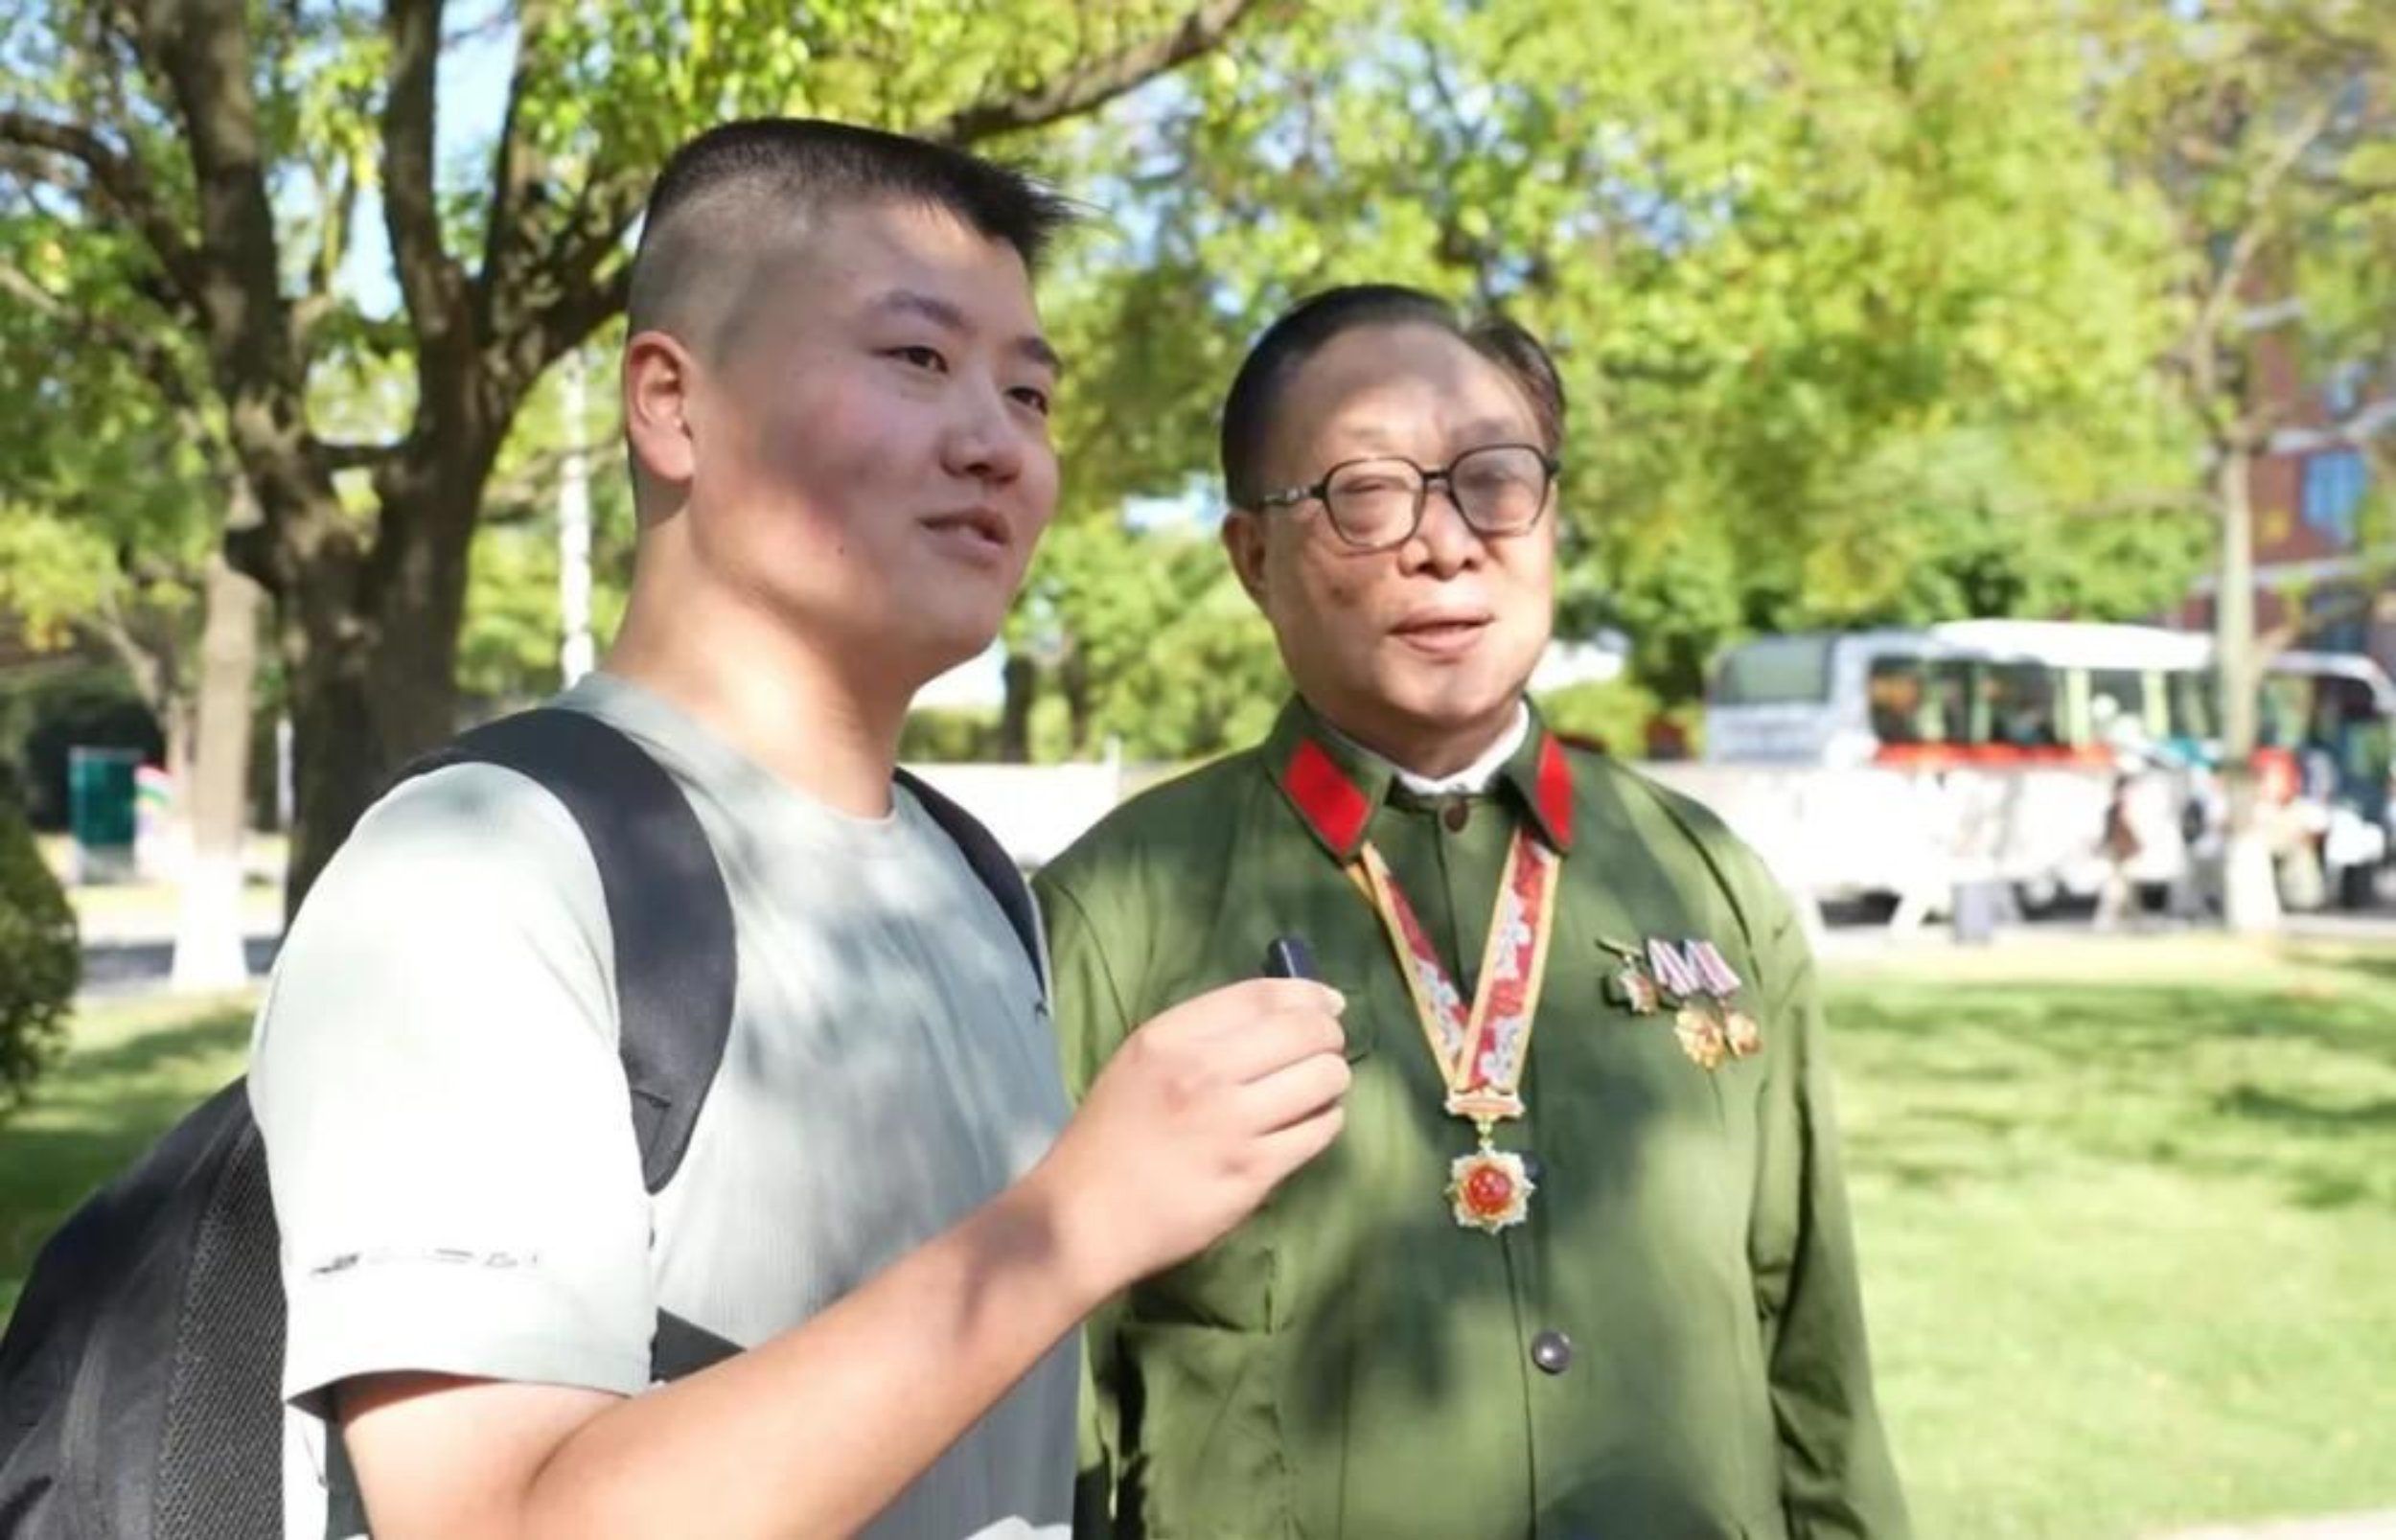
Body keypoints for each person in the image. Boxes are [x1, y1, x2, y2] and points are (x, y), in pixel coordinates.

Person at [246, 120, 1351, 1540]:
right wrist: (1073, 1222)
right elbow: (497, 1522)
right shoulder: (478, 874)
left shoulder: (972, 884)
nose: (996, 444)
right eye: (918, 358)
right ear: (672, 404)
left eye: (1028, 393)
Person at [1037, 285, 1911, 1538]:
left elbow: (1812, 1353)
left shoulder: (1704, 883)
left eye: (1494, 481)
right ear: (1253, 557)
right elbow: (1056, 1416)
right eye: (1366, 492)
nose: (1445, 544)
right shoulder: (1117, 916)